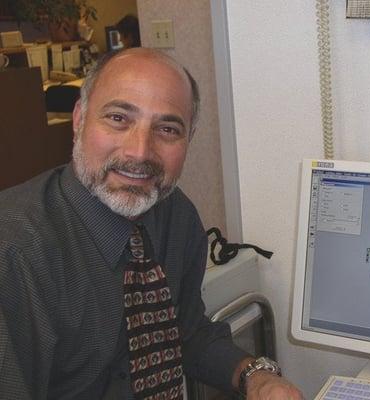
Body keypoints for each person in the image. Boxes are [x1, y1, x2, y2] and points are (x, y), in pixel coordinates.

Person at [0, 48, 302, 400]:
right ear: (79, 119)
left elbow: (185, 333)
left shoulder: (176, 216)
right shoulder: (14, 253)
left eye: (167, 128)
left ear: (189, 138)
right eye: (118, 118)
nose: (140, 152)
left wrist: (255, 376)